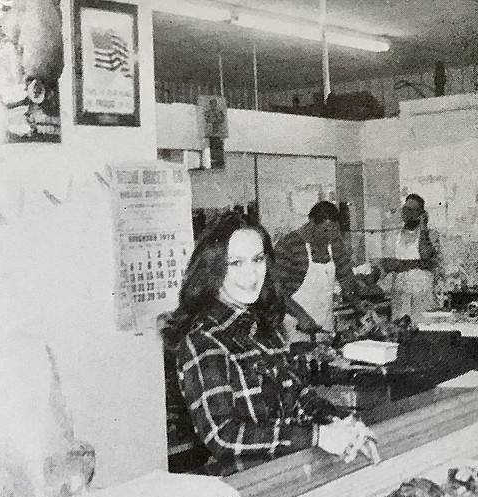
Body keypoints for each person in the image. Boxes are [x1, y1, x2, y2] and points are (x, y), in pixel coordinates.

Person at [160, 211, 378, 475]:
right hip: (248, 485)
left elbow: (298, 393)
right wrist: (316, 436)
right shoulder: (204, 339)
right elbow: (223, 436)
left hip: (290, 471)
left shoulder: (265, 328)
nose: (251, 275)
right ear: (213, 268)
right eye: (235, 263)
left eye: (257, 259)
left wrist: (340, 422)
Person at [274, 201, 358, 342]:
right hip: (293, 325)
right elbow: (276, 291)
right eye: (325, 230)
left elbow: (346, 277)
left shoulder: (334, 242)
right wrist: (300, 315)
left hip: (326, 324)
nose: (329, 237)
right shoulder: (289, 244)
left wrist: (356, 300)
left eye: (333, 231)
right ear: (311, 222)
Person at [378, 194, 440, 324]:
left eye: (412, 210)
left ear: (422, 214)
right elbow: (389, 265)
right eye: (405, 209)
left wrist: (423, 228)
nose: (407, 213)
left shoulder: (431, 235)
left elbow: (427, 259)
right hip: (401, 296)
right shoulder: (395, 236)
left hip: (423, 296)